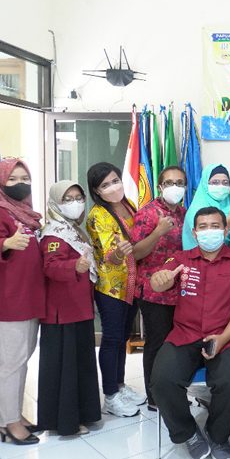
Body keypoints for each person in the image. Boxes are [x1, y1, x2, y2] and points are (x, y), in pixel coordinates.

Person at [149, 207, 230, 459]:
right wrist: (160, 280)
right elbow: (159, 280)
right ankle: (187, 433)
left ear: (226, 230)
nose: (210, 231)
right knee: (161, 381)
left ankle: (217, 434)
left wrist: (224, 338)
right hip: (185, 334)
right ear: (195, 233)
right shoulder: (181, 259)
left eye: (215, 225)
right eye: (203, 227)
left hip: (228, 336)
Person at [0, 158, 46, 445]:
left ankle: (16, 416)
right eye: (13, 178)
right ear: (1, 182)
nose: (21, 183)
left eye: (25, 177)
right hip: (7, 302)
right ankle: (8, 423)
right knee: (10, 363)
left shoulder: (26, 213)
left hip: (28, 299)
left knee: (22, 361)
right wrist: (6, 244)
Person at [37, 180, 101, 436]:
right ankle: (66, 421)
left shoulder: (74, 230)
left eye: (78, 197)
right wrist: (73, 267)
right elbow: (50, 267)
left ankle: (85, 413)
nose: (75, 203)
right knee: (65, 367)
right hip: (61, 312)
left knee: (81, 363)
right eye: (68, 199)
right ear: (55, 203)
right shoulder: (53, 233)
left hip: (79, 308)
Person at [86, 162, 145, 417]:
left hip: (132, 283)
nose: (113, 187)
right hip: (111, 288)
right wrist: (118, 253)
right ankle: (110, 395)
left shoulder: (129, 205)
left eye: (115, 180)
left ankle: (120, 386)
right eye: (105, 185)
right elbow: (109, 255)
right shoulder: (97, 216)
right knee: (111, 339)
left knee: (123, 337)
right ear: (97, 191)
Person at [130, 166, 188, 409]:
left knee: (176, 344)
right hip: (154, 292)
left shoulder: (186, 213)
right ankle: (155, 397)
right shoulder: (147, 214)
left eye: (180, 183)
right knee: (157, 342)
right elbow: (136, 252)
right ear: (161, 187)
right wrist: (157, 232)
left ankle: (174, 391)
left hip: (179, 291)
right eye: (170, 182)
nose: (175, 187)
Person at [183, 164, 230, 248]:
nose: (221, 186)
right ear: (205, 184)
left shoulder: (229, 203)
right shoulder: (197, 209)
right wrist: (228, 222)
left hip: (226, 256)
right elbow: (209, 244)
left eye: (225, 183)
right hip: (199, 258)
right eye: (215, 182)